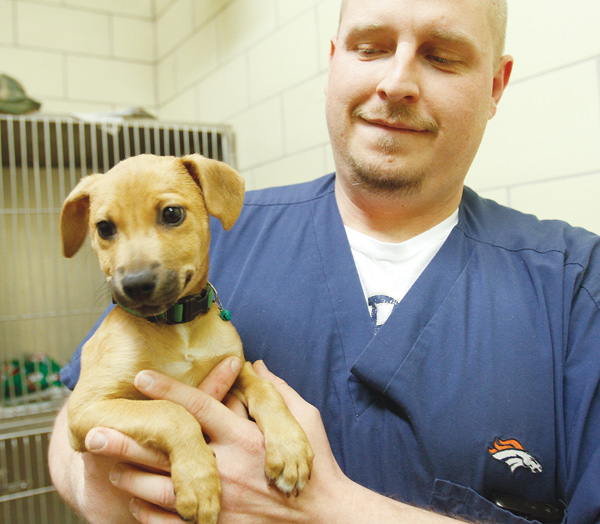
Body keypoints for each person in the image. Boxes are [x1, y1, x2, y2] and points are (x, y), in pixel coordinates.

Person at [48, 0, 600, 522]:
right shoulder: (212, 234)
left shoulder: (575, 289)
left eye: (442, 56)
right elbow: (79, 418)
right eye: (370, 48)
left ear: (497, 86)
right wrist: (110, 489)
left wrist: (330, 512)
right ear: (334, 61)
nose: (396, 83)